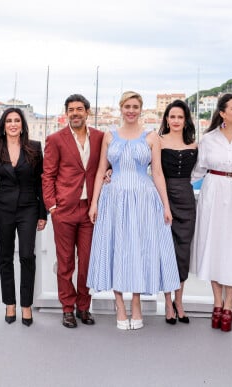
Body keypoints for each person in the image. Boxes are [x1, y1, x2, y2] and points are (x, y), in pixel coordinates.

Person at [87, 91, 180, 330]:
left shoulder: (151, 137)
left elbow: (157, 173)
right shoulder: (109, 135)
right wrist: (95, 202)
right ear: (121, 108)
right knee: (117, 247)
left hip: (143, 199)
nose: (131, 110)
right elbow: (100, 171)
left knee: (140, 248)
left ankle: (136, 303)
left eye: (135, 106)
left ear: (141, 109)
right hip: (114, 199)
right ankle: (119, 304)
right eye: (127, 106)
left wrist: (166, 206)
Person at [190, 93, 232, 333]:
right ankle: (217, 302)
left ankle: (229, 303)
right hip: (213, 194)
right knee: (215, 246)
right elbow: (197, 171)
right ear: (222, 113)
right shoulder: (208, 139)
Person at [42, 94, 104, 328]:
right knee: (65, 262)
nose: (75, 113)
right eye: (71, 109)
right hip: (65, 209)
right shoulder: (55, 139)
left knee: (86, 261)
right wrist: (52, 206)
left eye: (79, 109)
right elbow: (48, 174)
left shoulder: (99, 137)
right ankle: (67, 308)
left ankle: (84, 307)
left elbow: (104, 165)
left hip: (90, 210)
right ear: (66, 113)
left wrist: (107, 173)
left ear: (87, 112)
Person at [0, 107, 48, 327]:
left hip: (29, 208)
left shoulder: (34, 148)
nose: (13, 124)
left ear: (22, 125)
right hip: (2, 209)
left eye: (17, 121)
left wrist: (43, 213)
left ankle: (26, 305)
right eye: (9, 120)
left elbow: (41, 182)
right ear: (3, 125)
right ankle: (10, 303)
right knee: (5, 257)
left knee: (27, 256)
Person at [158, 100, 197, 325]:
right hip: (163, 198)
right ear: (166, 119)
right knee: (166, 250)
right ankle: (167, 302)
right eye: (172, 117)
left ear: (185, 120)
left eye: (180, 117)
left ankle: (179, 301)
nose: (175, 121)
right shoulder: (157, 141)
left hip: (186, 199)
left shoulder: (194, 145)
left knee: (183, 250)